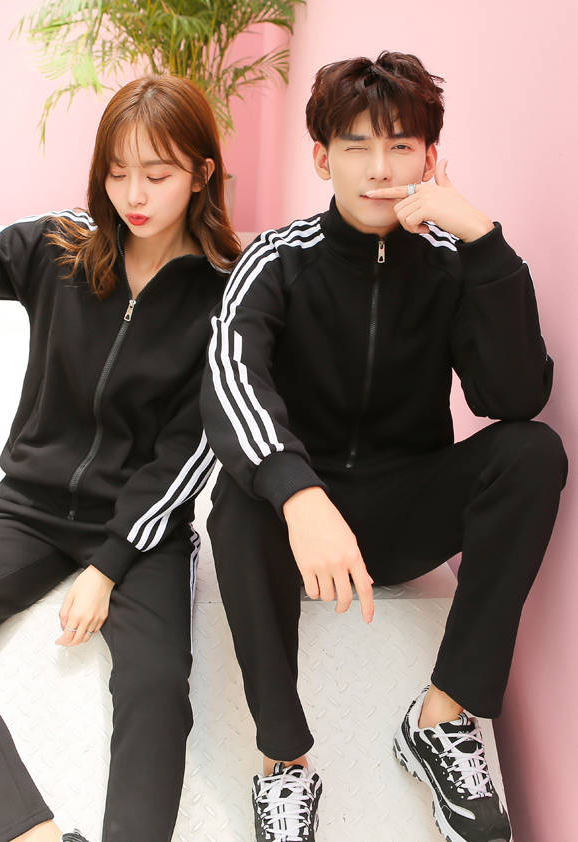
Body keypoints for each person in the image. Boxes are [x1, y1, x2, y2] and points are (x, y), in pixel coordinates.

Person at [200, 50, 567, 842]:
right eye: (356, 145)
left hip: (402, 516)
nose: (378, 168)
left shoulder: (452, 265)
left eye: (400, 145)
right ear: (321, 158)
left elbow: (511, 398)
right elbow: (229, 376)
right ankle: (283, 762)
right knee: (235, 497)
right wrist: (299, 494)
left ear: (428, 158)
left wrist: (483, 240)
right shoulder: (276, 259)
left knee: (533, 451)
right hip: (297, 531)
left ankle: (440, 718)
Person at [0, 50, 240, 842]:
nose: (133, 195)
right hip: (28, 507)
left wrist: (108, 564)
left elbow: (192, 448)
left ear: (199, 174)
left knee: (157, 687)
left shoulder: (226, 293)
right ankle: (31, 835)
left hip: (144, 529)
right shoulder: (57, 248)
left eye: (156, 174)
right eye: (118, 172)